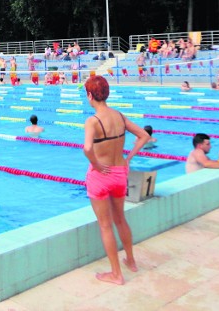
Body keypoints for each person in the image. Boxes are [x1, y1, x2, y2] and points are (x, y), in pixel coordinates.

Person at [83, 76, 150, 285]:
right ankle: (130, 260)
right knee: (120, 218)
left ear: (90, 95)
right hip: (120, 173)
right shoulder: (119, 116)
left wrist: (95, 163)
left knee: (105, 226)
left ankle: (116, 274)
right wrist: (128, 157)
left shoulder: (92, 121)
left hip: (100, 176)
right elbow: (143, 135)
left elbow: (86, 148)